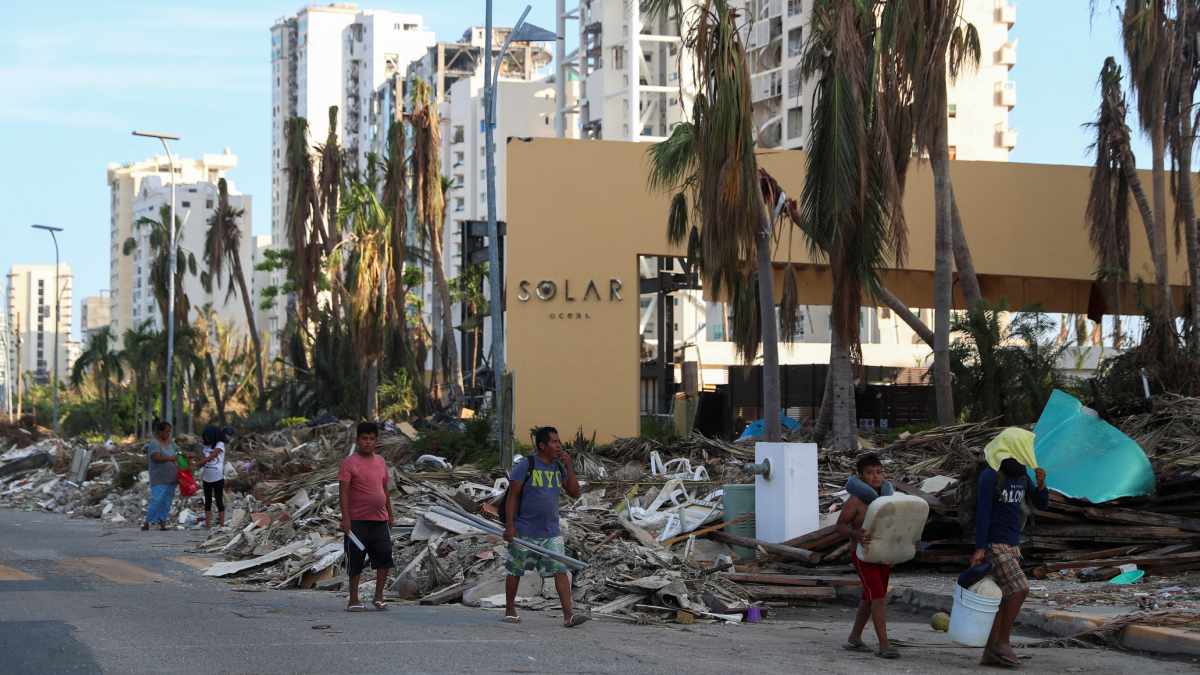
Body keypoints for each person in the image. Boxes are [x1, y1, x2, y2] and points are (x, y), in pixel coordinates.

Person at [503, 426, 588, 628]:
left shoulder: (558, 467)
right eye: (554, 442)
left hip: (551, 531)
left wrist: (569, 465)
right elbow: (512, 497)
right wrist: (510, 526)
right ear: (542, 445)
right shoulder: (527, 464)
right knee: (515, 570)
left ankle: (568, 616)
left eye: (559, 441)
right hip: (524, 529)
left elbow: (575, 492)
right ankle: (509, 608)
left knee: (560, 570)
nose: (558, 445)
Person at [972, 451, 1049, 668]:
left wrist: (1042, 485)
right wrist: (980, 547)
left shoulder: (1023, 475)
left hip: (1013, 544)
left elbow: (1041, 504)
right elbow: (983, 512)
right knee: (1020, 589)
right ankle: (1003, 643)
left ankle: (990, 652)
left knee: (1005, 597)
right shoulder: (991, 475)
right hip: (994, 543)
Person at [837, 453, 898, 659]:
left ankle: (854, 638)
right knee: (878, 597)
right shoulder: (856, 501)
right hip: (863, 555)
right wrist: (856, 534)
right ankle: (884, 645)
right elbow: (840, 526)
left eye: (879, 472)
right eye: (870, 473)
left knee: (870, 596)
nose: (875, 477)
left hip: (883, 554)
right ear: (861, 477)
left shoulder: (888, 498)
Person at [338, 422, 394, 612]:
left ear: (376, 441)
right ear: (358, 440)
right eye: (364, 438)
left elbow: (384, 489)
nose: (368, 442)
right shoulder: (349, 463)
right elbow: (343, 492)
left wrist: (391, 514)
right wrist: (345, 519)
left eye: (371, 439)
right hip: (357, 521)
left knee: (385, 556)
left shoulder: (380, 461)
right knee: (355, 560)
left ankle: (379, 596)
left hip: (380, 520)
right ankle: (353, 599)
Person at [142, 421, 178, 531]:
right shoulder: (154, 443)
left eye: (169, 432)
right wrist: (170, 458)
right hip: (159, 478)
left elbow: (178, 453)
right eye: (166, 431)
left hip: (171, 477)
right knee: (157, 500)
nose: (168, 434)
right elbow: (155, 457)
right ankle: (147, 522)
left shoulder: (171, 443)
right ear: (160, 432)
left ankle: (162, 521)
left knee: (167, 501)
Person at [196, 425, 227, 529]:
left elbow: (212, 456)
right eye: (206, 437)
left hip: (218, 477)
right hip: (206, 477)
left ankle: (222, 525)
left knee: (219, 501)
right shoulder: (205, 446)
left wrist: (198, 463)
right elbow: (202, 457)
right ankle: (208, 525)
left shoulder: (220, 444)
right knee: (207, 501)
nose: (207, 439)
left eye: (209, 437)